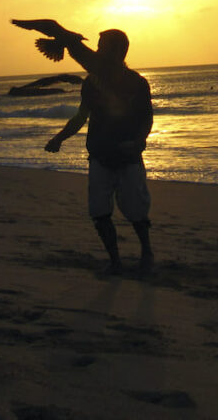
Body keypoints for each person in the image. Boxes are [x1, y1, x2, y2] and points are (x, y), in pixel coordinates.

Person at [45, 28, 154, 275]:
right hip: (100, 155)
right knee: (100, 212)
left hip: (128, 157)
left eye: (102, 46)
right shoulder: (91, 83)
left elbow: (146, 118)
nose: (96, 50)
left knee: (136, 210)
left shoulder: (137, 82)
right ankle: (115, 261)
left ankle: (147, 253)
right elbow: (81, 116)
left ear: (118, 50)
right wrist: (59, 138)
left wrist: (138, 141)